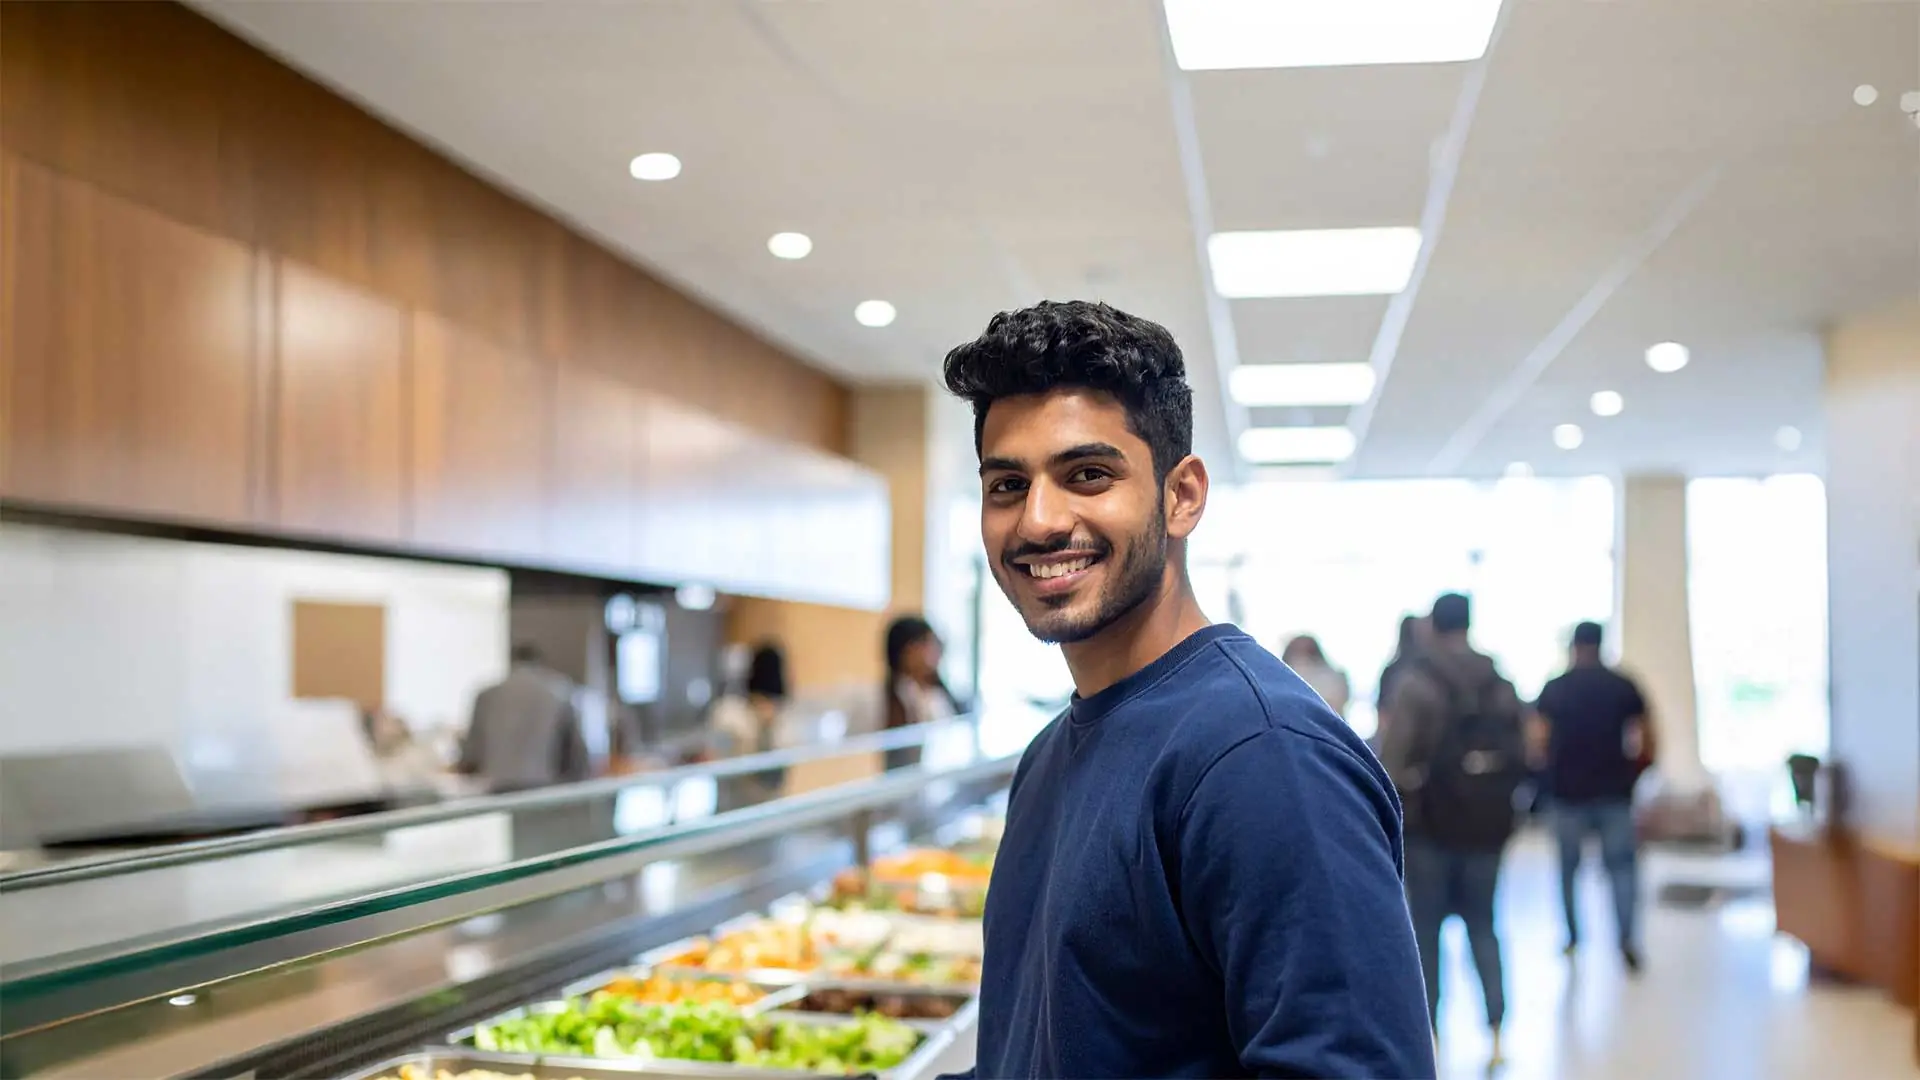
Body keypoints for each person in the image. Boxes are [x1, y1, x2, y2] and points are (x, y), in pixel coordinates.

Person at [940, 300, 1432, 1078]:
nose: (1038, 520)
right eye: (1007, 485)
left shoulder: (1261, 755)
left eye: (1088, 475)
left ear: (1182, 495)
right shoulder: (1049, 760)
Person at [1379, 593, 1527, 1069]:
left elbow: (1392, 762)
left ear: (1431, 627)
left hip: (1429, 831)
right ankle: (1497, 1031)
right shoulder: (1500, 683)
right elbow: (1523, 753)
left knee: (1425, 933)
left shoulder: (1416, 683)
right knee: (1485, 926)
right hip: (1487, 829)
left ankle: (1431, 1036)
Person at [1534, 620, 1652, 971]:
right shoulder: (1622, 685)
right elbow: (1647, 732)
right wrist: (1638, 769)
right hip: (1614, 791)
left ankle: (1572, 937)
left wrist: (1544, 774)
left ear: (1574, 646)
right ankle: (1627, 939)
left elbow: (1538, 738)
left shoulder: (1556, 688)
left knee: (1568, 868)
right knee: (1622, 868)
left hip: (1567, 793)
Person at [459, 644, 591, 792]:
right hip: (543, 783)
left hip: (497, 784)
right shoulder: (560, 691)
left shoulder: (487, 694)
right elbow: (577, 752)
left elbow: (472, 749)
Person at [708, 641, 792, 805]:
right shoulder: (731, 716)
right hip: (735, 803)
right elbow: (714, 759)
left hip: (768, 804)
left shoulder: (783, 723)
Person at [882, 615, 959, 770]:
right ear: (904, 650)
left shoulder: (938, 696)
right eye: (925, 644)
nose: (935, 651)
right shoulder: (887, 699)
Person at [1280, 634, 1351, 719]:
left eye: (1308, 652)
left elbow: (1336, 705)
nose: (1302, 661)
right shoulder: (1279, 680)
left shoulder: (1335, 678)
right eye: (1296, 653)